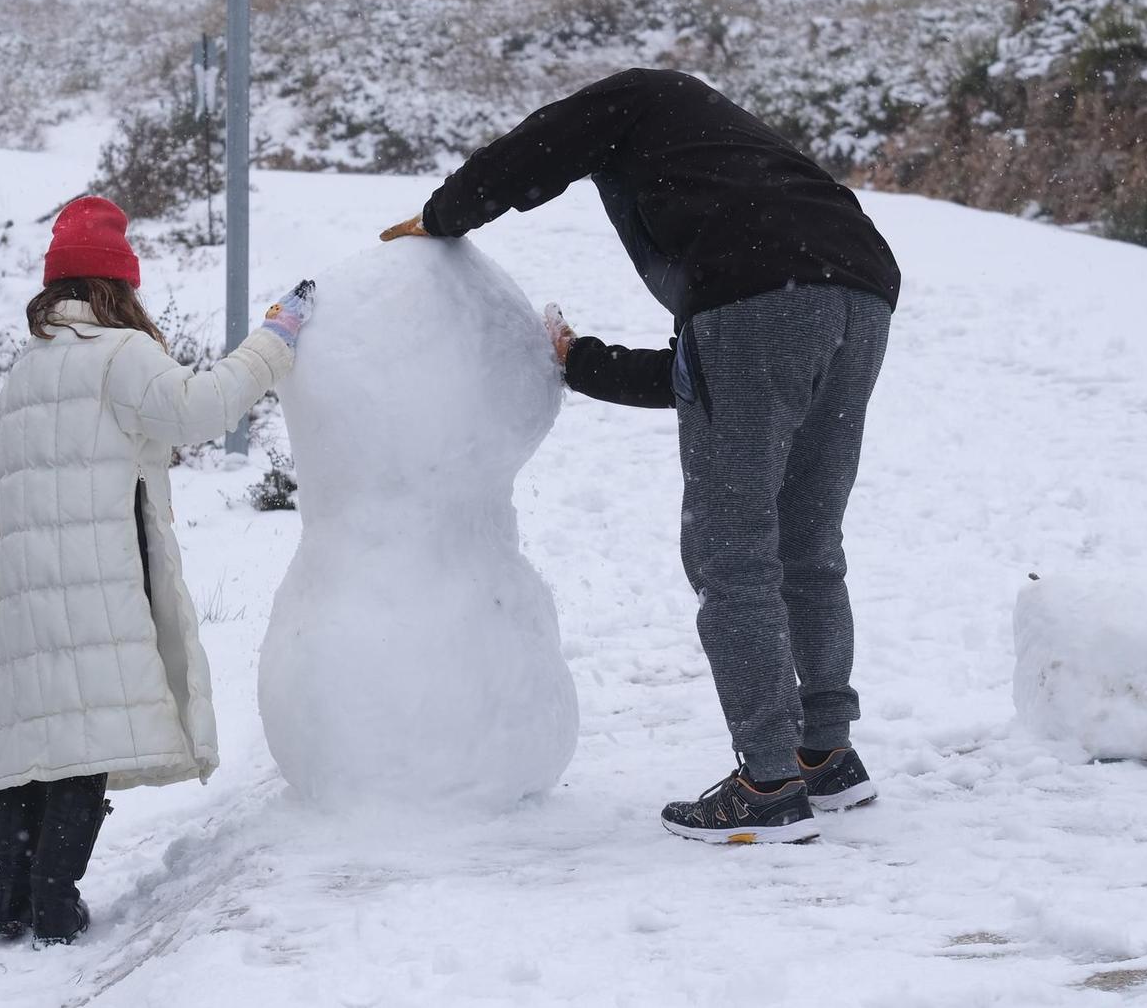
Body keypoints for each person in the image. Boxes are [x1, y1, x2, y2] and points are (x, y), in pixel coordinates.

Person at [382, 67, 899, 845]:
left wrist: (441, 214)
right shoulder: (729, 166)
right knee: (808, 539)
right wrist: (580, 360)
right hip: (860, 287)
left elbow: (536, 148)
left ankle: (767, 780)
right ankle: (825, 751)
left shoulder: (638, 98)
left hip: (764, 292)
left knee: (734, 553)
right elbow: (710, 377)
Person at [0, 195, 313, 942]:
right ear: (117, 286)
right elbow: (198, 410)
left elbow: (0, 468)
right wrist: (273, 341)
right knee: (86, 738)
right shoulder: (119, 353)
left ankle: (13, 892)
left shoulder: (27, 365)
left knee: (41, 730)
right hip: (97, 575)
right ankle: (56, 899)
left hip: (29, 584)